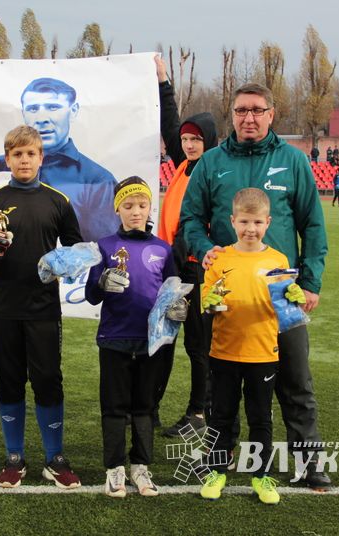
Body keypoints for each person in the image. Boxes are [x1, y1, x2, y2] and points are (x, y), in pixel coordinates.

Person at [180, 82, 331, 491]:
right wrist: (204, 249)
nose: (249, 118)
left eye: (257, 110)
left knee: (295, 380)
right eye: (241, 110)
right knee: (220, 382)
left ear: (271, 114)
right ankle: (220, 455)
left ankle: (308, 462)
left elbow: (312, 225)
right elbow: (190, 218)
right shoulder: (211, 163)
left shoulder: (293, 161)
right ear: (231, 115)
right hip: (227, 295)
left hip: (281, 295)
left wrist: (310, 281)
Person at [0, 125, 83, 490]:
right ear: (7, 159)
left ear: (41, 158)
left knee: (48, 381)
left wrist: (62, 262)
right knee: (9, 380)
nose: (24, 160)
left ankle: (54, 458)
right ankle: (14, 457)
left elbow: (76, 252)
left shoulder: (58, 202)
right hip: (3, 308)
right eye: (17, 154)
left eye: (31, 153)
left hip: (43, 308)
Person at [197, 188, 298, 505]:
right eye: (244, 222)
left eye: (256, 222)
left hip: (262, 352)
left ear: (268, 222)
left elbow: (285, 306)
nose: (250, 229)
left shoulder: (278, 260)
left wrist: (293, 298)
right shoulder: (220, 259)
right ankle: (216, 471)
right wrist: (208, 302)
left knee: (260, 417)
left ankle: (261, 475)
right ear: (232, 221)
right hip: (224, 351)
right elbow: (207, 301)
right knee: (221, 416)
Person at [85, 176, 176, 498]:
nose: (135, 211)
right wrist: (100, 283)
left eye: (141, 205)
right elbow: (91, 296)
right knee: (114, 406)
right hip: (114, 338)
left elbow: (173, 293)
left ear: (150, 207)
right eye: (128, 205)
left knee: (145, 406)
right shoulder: (105, 246)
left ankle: (141, 466)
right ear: (117, 210)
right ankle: (114, 468)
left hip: (151, 342)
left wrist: (179, 308)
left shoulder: (163, 249)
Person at [153, 56, 218, 437]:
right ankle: (149, 407)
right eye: (187, 140)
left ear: (209, 141)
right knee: (162, 338)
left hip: (197, 269)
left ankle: (199, 412)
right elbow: (170, 123)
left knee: (198, 345)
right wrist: (163, 81)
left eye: (197, 140)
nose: (190, 144)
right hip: (173, 267)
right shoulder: (183, 165)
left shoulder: (214, 173)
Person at [0, 78, 118, 242]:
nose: (42, 118)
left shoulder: (98, 180)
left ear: (73, 111)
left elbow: (103, 249)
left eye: (53, 107)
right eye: (33, 108)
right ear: (23, 113)